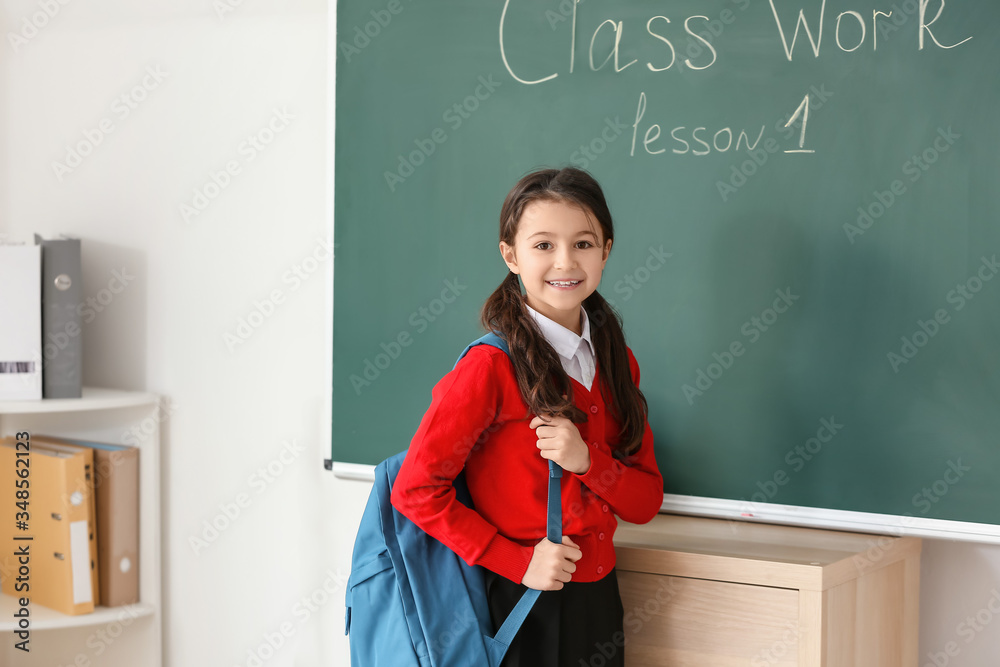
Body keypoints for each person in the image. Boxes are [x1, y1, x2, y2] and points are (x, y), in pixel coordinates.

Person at [390, 166, 663, 666]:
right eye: (543, 245)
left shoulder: (617, 361)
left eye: (583, 243)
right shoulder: (489, 367)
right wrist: (516, 561)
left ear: (606, 250)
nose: (565, 261)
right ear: (510, 255)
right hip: (521, 602)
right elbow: (414, 490)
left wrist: (588, 462)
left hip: (599, 599)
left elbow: (644, 501)